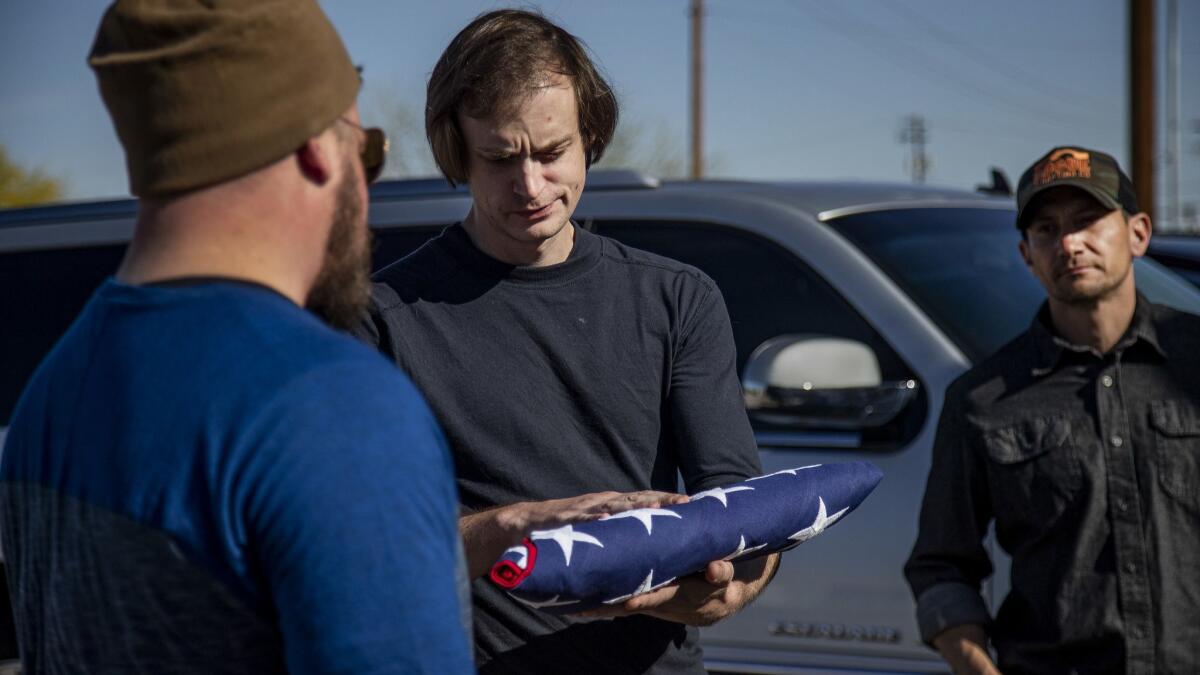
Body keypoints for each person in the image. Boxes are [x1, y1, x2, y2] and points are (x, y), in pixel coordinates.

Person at [0, 1, 474, 672]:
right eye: (366, 155)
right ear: (315, 143)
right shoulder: (332, 406)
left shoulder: (45, 400)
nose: (368, 195)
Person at [355, 9, 777, 674]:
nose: (530, 186)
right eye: (500, 158)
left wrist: (713, 586)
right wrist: (521, 527)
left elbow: (743, 519)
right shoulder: (381, 318)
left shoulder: (678, 298)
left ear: (590, 138)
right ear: (456, 150)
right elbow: (366, 548)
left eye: (552, 153)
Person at [904, 146, 1200, 674]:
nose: (1069, 242)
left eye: (1088, 220)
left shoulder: (1194, 362)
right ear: (1026, 254)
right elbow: (941, 566)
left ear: (1138, 233)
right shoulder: (982, 398)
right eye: (1046, 229)